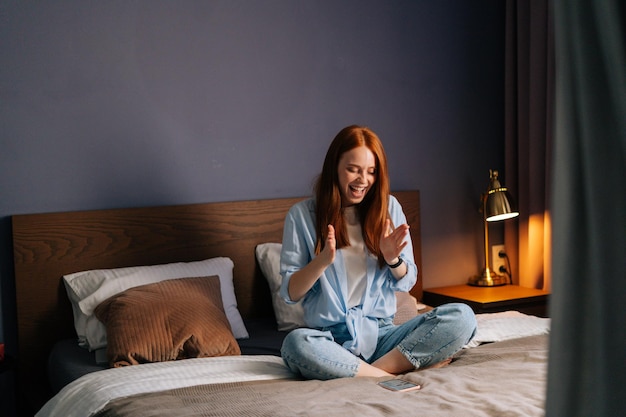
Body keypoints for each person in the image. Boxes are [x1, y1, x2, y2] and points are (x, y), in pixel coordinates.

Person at [279, 125, 476, 380]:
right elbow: (290, 293)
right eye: (353, 170)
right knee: (296, 344)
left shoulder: (389, 208)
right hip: (330, 341)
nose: (363, 180)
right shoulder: (301, 216)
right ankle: (393, 373)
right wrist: (321, 262)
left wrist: (392, 259)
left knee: (463, 317)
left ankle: (374, 373)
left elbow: (408, 280)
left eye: (371, 172)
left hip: (384, 337)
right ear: (334, 167)